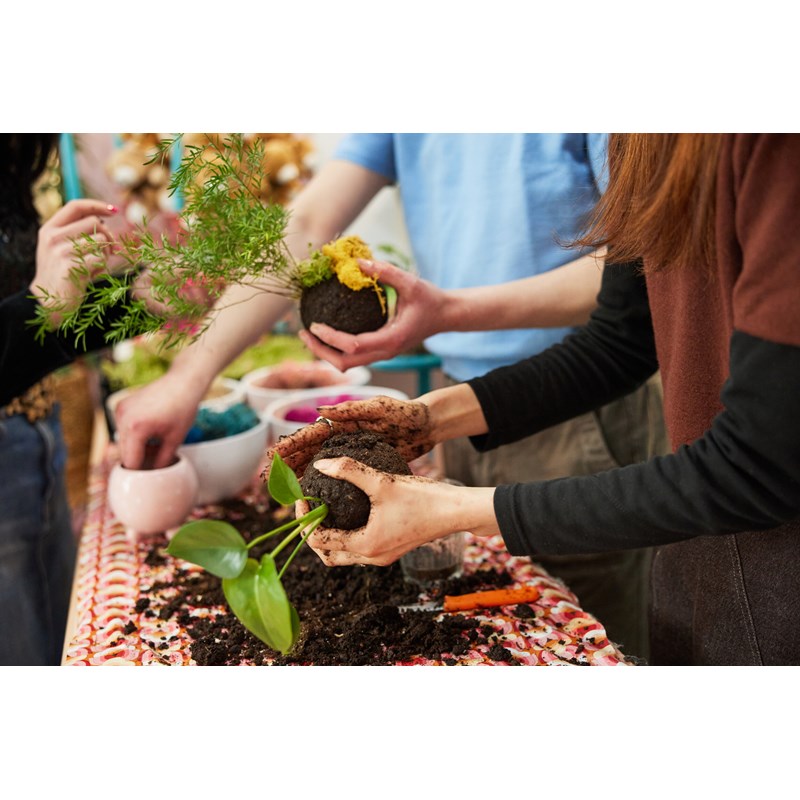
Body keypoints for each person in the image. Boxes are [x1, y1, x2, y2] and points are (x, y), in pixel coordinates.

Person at [117, 134, 668, 659]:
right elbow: (307, 221)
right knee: (479, 623)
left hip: (584, 408)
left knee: (582, 634)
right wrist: (186, 379)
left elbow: (639, 276)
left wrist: (449, 310)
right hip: (467, 402)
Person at [269, 133, 800, 667]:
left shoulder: (774, 150)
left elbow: (757, 466)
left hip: (777, 575)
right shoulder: (644, 140)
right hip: (700, 545)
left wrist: (459, 510)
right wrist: (426, 420)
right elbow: (619, 341)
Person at [0, 133, 182, 665]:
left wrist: (139, 300)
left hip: (35, 438)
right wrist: (38, 304)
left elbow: (36, 332)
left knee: (64, 638)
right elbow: (33, 311)